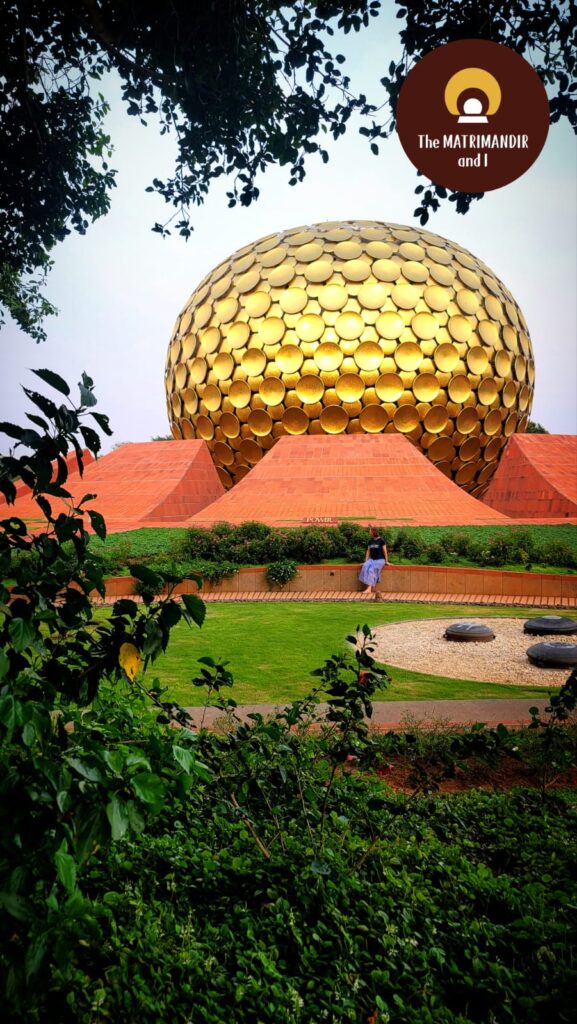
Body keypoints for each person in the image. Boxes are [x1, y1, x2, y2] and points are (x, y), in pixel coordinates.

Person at [359, 526, 390, 596]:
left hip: (380, 560)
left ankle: (369, 589)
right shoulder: (370, 541)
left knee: (371, 570)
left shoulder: (381, 540)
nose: (369, 532)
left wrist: (386, 561)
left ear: (373, 532)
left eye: (370, 531)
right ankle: (368, 587)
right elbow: (368, 551)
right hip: (372, 560)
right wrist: (365, 561)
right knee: (365, 566)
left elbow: (385, 551)